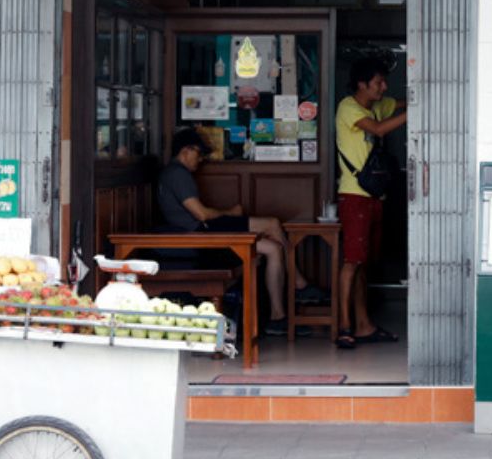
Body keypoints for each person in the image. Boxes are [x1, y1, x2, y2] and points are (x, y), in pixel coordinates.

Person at [157, 127, 324, 336]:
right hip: (202, 234)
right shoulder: (177, 174)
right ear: (186, 150)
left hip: (202, 233)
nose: (200, 160)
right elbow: (201, 214)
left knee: (273, 249)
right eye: (199, 154)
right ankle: (299, 283)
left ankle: (277, 317)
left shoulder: (173, 173)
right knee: (272, 223)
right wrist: (231, 212)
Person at [334, 57, 406, 349]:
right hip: (354, 195)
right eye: (378, 82)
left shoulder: (377, 105)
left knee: (363, 263)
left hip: (374, 195)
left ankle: (364, 325)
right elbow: (378, 129)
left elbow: (398, 104)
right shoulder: (348, 107)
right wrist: (412, 113)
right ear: (362, 84)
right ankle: (344, 326)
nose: (384, 87)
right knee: (352, 262)